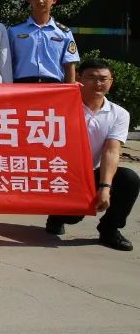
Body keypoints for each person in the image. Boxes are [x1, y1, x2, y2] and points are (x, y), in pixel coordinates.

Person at [45, 59, 137, 251]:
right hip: (59, 173)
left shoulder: (119, 114)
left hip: (90, 174)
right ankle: (56, 215)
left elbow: (111, 150)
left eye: (103, 79)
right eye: (92, 78)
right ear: (79, 78)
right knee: (73, 217)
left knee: (129, 179)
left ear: (111, 82)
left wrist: (105, 187)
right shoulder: (60, 107)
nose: (98, 83)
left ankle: (109, 229)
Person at [9, 0, 79, 83]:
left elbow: (69, 64)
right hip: (22, 86)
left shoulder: (64, 33)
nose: (40, 1)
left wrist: (71, 89)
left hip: (53, 86)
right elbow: (7, 63)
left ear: (54, 0)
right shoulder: (14, 31)